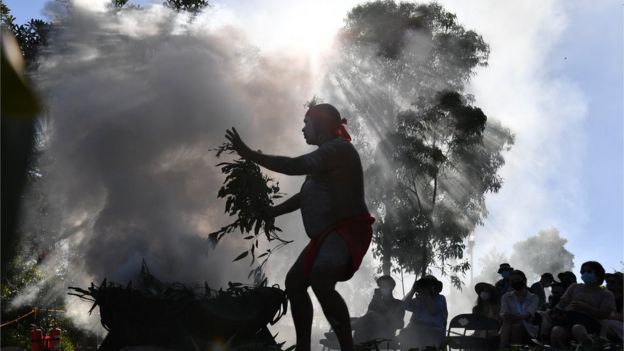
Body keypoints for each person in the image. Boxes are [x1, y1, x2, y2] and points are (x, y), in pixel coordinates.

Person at [225, 103, 374, 351]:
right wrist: (272, 211)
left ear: (322, 124)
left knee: (321, 277)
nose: (303, 129)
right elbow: (305, 195)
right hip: (327, 236)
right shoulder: (324, 157)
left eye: (307, 122)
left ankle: (347, 348)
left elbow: (295, 165)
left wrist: (251, 155)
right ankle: (303, 347)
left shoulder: (338, 150)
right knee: (295, 282)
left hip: (347, 230)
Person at [549, 261, 616, 348]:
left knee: (578, 329)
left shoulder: (606, 294)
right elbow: (562, 304)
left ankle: (591, 346)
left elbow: (606, 314)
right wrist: (557, 313)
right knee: (556, 331)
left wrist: (585, 307)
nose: (585, 274)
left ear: (598, 273)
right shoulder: (574, 287)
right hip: (569, 320)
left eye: (588, 271)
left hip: (591, 324)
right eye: (582, 272)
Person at [399, 275, 448, 349]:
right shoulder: (418, 299)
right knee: (404, 334)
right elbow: (403, 305)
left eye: (429, 285)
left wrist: (427, 295)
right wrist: (413, 290)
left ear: (434, 287)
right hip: (414, 330)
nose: (425, 287)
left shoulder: (440, 298)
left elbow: (433, 311)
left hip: (433, 331)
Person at [351, 275, 405, 342]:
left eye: (385, 286)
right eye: (381, 286)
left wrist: (382, 307)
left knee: (371, 315)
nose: (382, 288)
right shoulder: (376, 301)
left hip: (386, 333)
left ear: (391, 287)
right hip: (370, 331)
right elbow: (366, 317)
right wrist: (374, 301)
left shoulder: (398, 303)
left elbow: (399, 324)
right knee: (353, 319)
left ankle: (346, 329)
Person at [499, 270, 539, 349]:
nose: (515, 282)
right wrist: (506, 316)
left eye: (517, 279)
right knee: (512, 325)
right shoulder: (506, 296)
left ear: (524, 280)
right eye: (512, 281)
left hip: (528, 329)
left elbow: (527, 315)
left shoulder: (533, 297)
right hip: (509, 326)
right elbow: (503, 313)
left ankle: (502, 348)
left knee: (511, 324)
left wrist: (512, 317)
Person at [603, 271, 623, 341]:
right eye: (608, 281)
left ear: (620, 285)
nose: (609, 284)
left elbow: (622, 317)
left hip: (619, 327)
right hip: (609, 326)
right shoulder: (604, 297)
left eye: (613, 282)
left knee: (607, 323)